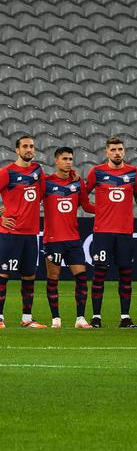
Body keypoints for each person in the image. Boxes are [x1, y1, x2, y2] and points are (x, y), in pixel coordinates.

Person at [84, 137, 137, 328]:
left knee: (125, 275)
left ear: (124, 151)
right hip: (103, 232)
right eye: (113, 150)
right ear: (106, 152)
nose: (117, 153)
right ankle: (96, 317)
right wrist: (97, 210)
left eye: (120, 149)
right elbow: (83, 196)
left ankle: (125, 317)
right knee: (99, 274)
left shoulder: (134, 173)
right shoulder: (97, 172)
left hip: (125, 232)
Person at [41, 146, 95, 329]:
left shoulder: (78, 183)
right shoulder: (46, 183)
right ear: (56, 160)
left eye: (70, 159)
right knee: (53, 277)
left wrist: (107, 209)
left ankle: (80, 318)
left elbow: (87, 206)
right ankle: (56, 319)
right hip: (53, 239)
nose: (68, 162)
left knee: (81, 277)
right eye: (64, 159)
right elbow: (31, 201)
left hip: (73, 239)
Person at [0, 134, 46, 328]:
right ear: (17, 150)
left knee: (29, 276)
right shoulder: (7, 172)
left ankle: (27, 318)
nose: (29, 149)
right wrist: (1, 217)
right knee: (3, 275)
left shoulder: (37, 170)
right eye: (25, 146)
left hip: (31, 234)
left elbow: (43, 193)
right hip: (10, 234)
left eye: (31, 146)